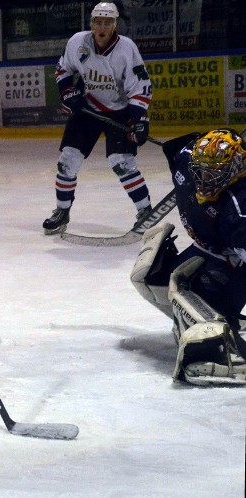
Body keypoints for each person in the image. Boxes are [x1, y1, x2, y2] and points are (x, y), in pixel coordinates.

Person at [130, 129, 246, 386]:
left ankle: (224, 343)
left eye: (213, 173)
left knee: (200, 298)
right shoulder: (187, 159)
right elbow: (179, 147)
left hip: (233, 264)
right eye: (201, 170)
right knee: (151, 276)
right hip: (205, 249)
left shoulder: (238, 208)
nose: (204, 179)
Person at [42, 2, 153, 234]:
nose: (102, 27)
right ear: (91, 24)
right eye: (98, 22)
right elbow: (62, 69)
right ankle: (62, 210)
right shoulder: (77, 42)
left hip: (120, 111)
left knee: (121, 162)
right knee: (67, 161)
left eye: (108, 22)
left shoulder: (126, 49)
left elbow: (140, 85)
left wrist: (139, 119)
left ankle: (145, 211)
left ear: (115, 25)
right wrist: (68, 93)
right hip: (88, 109)